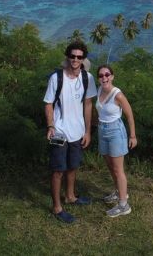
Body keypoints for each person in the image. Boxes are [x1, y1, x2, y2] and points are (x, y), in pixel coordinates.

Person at [44, 40, 97, 223]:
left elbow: (88, 105)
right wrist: (50, 126)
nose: (75, 60)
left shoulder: (87, 78)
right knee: (58, 169)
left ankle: (70, 196)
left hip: (78, 131)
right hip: (59, 131)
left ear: (83, 59)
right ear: (67, 57)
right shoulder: (56, 78)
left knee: (73, 166)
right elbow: (48, 104)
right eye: (72, 56)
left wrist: (87, 131)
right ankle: (57, 207)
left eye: (79, 57)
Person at [94, 64, 137, 217]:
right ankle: (119, 192)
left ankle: (124, 205)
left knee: (118, 170)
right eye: (101, 75)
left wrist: (133, 136)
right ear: (98, 78)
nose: (104, 78)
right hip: (102, 130)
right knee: (110, 166)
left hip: (115, 131)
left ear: (112, 76)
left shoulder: (117, 95)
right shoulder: (98, 90)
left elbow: (129, 115)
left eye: (107, 74)